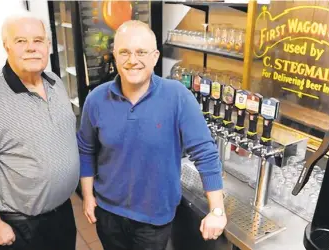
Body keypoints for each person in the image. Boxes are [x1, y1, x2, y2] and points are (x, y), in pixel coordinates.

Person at [77, 20, 227, 250]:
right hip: (108, 214)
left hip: (154, 221)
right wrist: (88, 197)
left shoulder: (177, 96)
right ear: (115, 56)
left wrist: (217, 210)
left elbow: (205, 154)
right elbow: (86, 150)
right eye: (124, 52)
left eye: (141, 52)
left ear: (155, 57)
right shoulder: (96, 99)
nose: (133, 60)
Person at [0, 12, 79, 250]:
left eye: (38, 40)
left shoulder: (56, 82)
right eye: (21, 41)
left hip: (63, 214)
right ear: (7, 47)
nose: (32, 48)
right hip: (23, 226)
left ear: (48, 46)